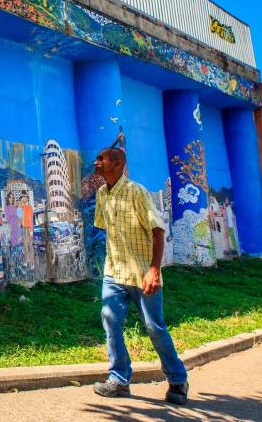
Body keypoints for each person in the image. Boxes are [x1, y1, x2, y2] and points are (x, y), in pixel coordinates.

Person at [92, 147, 188, 405]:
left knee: (154, 328)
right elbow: (108, 231)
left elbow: (157, 231)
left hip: (143, 274)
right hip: (114, 273)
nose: (96, 162)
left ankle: (178, 380)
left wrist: (154, 270)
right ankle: (119, 380)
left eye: (101, 159)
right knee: (110, 322)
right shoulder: (102, 193)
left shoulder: (137, 192)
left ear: (118, 163)